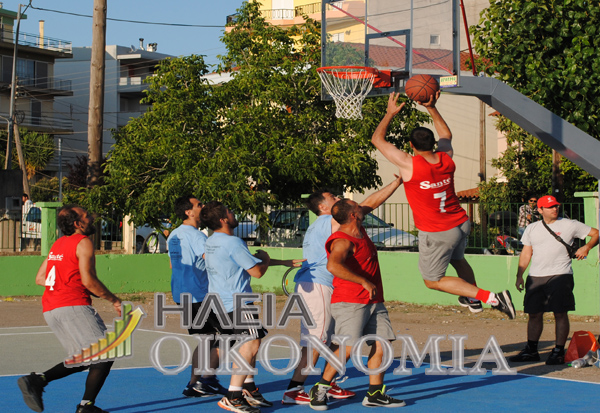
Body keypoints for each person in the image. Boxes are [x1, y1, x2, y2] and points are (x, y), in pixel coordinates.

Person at [370, 91, 515, 319]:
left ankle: (493, 298)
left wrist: (389, 114)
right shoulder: (446, 158)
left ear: (411, 145)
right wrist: (431, 107)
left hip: (438, 231)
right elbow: (446, 134)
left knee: (432, 280)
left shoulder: (410, 164)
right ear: (434, 144)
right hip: (460, 223)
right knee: (458, 260)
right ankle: (472, 298)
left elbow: (377, 140)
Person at [282, 177, 403, 405]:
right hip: (321, 285)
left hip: (341, 288)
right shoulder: (330, 222)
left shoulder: (344, 224)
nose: (338, 197)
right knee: (319, 339)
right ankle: (295, 389)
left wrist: (396, 183)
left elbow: (367, 205)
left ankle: (356, 389)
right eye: (333, 197)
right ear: (323, 207)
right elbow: (367, 205)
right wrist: (363, 281)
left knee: (339, 341)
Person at [17, 205, 122, 413]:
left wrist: (66, 284)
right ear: (77, 223)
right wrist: (114, 300)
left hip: (52, 308)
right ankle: (82, 405)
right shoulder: (83, 242)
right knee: (105, 353)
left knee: (84, 358)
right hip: (73, 306)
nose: (92, 217)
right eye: (87, 215)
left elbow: (40, 278)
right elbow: (89, 281)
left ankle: (43, 383)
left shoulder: (58, 245)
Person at [201, 201, 303, 413]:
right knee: (251, 344)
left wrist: (282, 262)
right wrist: (265, 258)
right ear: (223, 219)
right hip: (236, 302)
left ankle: (248, 387)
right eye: (230, 211)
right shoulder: (233, 242)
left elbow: (245, 261)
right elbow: (257, 271)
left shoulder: (213, 242)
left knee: (250, 341)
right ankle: (233, 395)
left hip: (219, 302)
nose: (233, 213)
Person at [308, 198, 405, 410]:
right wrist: (363, 281)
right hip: (350, 301)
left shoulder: (359, 229)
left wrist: (398, 182)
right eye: (357, 206)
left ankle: (375, 393)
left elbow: (374, 201)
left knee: (383, 343)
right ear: (353, 215)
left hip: (374, 300)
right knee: (347, 348)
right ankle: (321, 387)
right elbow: (333, 266)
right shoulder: (342, 240)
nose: (362, 207)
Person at [511, 195, 598, 365]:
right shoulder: (532, 228)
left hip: (561, 275)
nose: (555, 209)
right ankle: (531, 350)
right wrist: (519, 275)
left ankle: (558, 351)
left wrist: (586, 247)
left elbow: (595, 233)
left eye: (556, 206)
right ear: (540, 210)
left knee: (560, 313)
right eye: (550, 207)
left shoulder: (570, 224)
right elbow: (526, 253)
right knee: (534, 314)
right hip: (535, 276)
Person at [167, 195, 227, 397]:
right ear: (189, 212)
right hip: (198, 295)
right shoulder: (196, 236)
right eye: (199, 205)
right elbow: (212, 260)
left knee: (207, 339)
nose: (203, 206)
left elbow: (172, 264)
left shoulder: (174, 235)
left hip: (182, 294)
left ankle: (195, 383)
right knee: (229, 333)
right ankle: (207, 379)